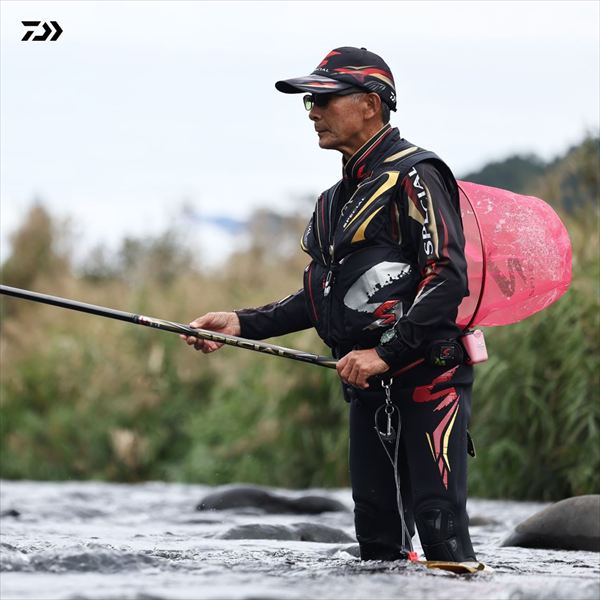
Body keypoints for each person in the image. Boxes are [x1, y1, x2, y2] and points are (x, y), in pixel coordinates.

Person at [183, 47, 477, 563]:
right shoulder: (332, 201)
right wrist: (241, 323)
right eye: (309, 102)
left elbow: (448, 278)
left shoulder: (418, 174)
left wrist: (385, 354)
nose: (313, 112)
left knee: (440, 529)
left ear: (370, 103)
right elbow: (323, 298)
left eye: (323, 99)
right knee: (377, 540)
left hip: (429, 380)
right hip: (366, 387)